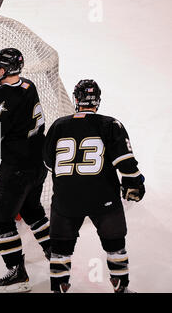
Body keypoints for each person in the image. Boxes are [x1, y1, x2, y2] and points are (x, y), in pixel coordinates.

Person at [43, 79, 145, 293]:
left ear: (76, 99)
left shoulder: (59, 125)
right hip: (103, 197)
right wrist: (135, 183)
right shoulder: (110, 124)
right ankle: (121, 287)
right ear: (97, 101)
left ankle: (58, 288)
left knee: (60, 249)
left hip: (66, 199)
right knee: (115, 242)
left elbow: (48, 163)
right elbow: (125, 162)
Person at [0, 48, 51, 292]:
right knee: (32, 210)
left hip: (17, 168)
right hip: (38, 164)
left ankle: (17, 272)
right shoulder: (28, 85)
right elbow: (12, 113)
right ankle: (58, 255)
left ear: (5, 69)